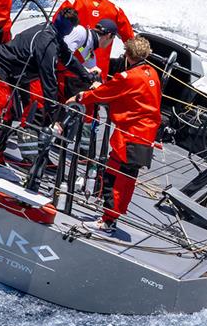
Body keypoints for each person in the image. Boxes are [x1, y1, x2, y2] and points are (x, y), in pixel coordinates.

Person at [0, 8, 95, 180]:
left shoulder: (52, 33)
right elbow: (50, 82)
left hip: (8, 75)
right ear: (69, 30)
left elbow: (68, 59)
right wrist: (55, 117)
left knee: (7, 117)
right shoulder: (47, 44)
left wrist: (87, 77)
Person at [67, 36, 161, 232]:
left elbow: (104, 93)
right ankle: (113, 217)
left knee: (115, 176)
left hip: (129, 136)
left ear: (127, 55)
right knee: (128, 178)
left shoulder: (128, 77)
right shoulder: (153, 74)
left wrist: (80, 96)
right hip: (147, 136)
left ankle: (107, 221)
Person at [54, 0, 133, 75]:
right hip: (99, 73)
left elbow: (53, 29)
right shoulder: (115, 10)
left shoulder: (72, 3)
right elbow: (131, 42)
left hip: (70, 72)